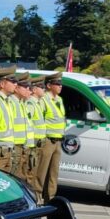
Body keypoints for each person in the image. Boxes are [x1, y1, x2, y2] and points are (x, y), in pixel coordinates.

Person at [39, 72, 66, 201]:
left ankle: (50, 198)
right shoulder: (44, 99)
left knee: (53, 173)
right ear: (49, 85)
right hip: (48, 140)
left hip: (58, 141)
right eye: (57, 84)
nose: (60, 86)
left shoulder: (59, 100)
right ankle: (37, 196)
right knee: (41, 172)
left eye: (61, 84)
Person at [27, 76, 48, 201]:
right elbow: (28, 124)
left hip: (38, 142)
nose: (44, 89)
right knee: (31, 172)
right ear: (34, 90)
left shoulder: (37, 103)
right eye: (41, 87)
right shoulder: (30, 103)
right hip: (33, 143)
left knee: (35, 171)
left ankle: (35, 196)